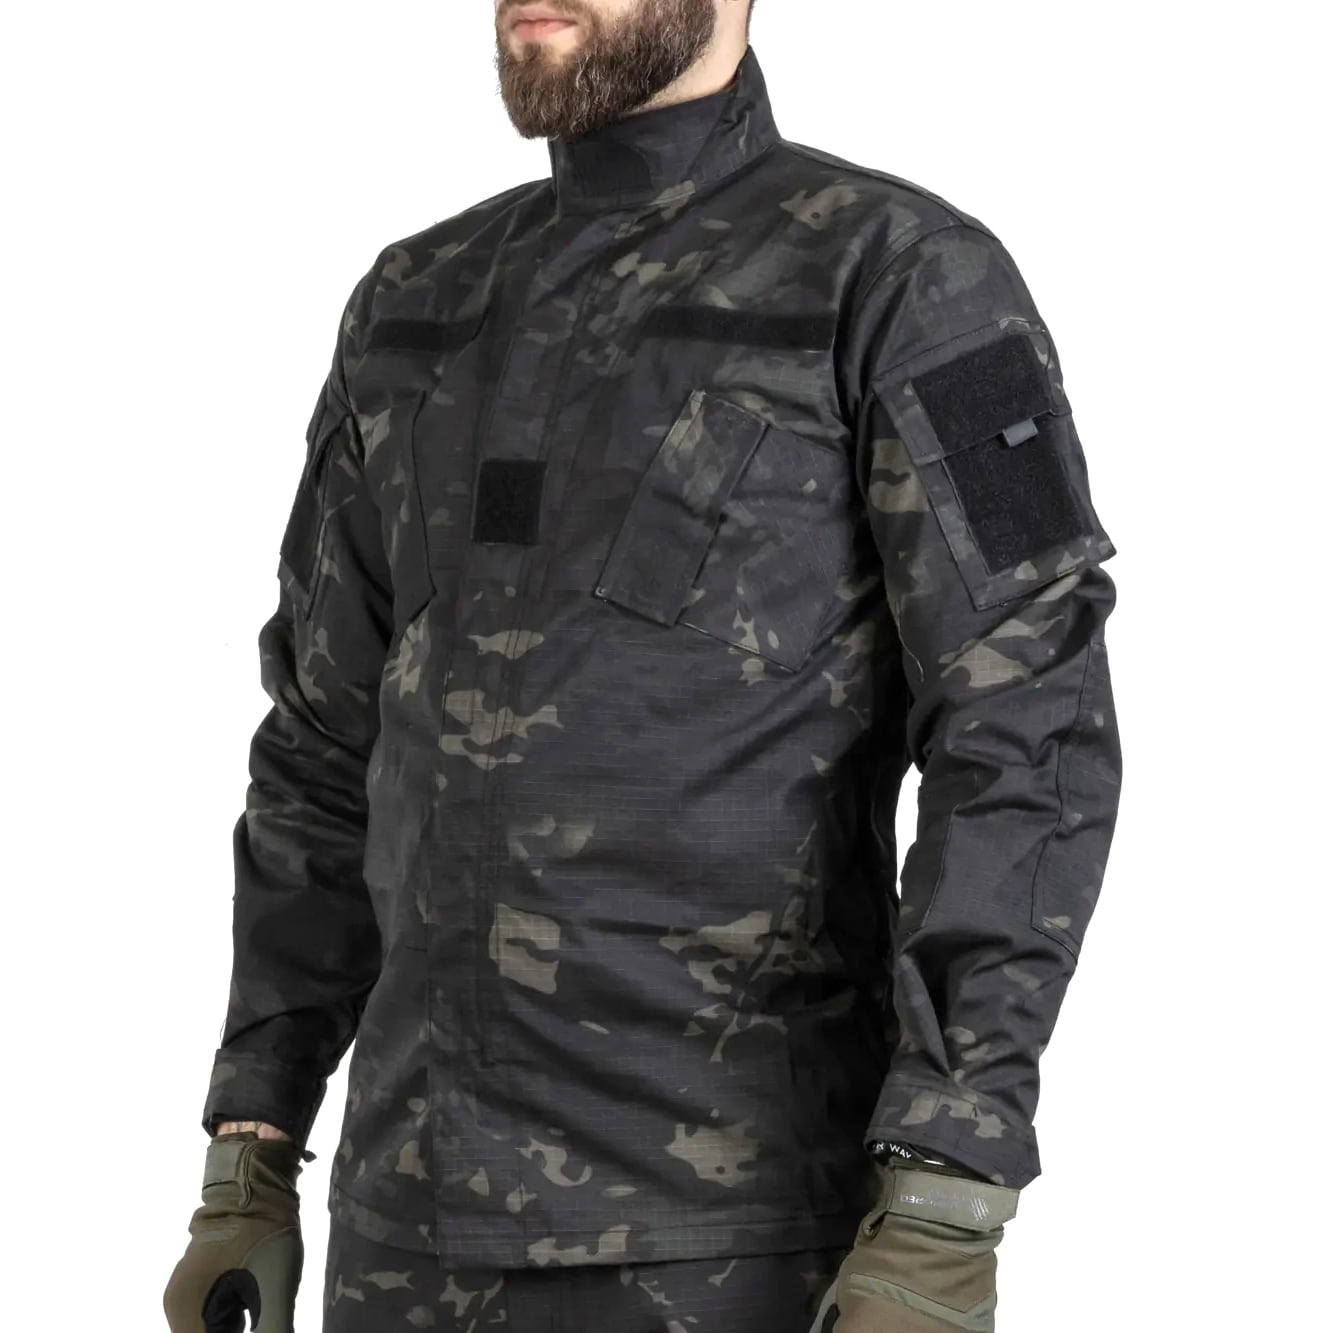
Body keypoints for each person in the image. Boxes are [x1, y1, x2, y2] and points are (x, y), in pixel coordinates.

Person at [164, 2, 1122, 1330]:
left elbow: (1029, 729)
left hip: (735, 1239)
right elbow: (322, 745)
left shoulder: (904, 280)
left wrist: (946, 1195)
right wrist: (250, 1152)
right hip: (404, 1236)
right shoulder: (416, 302)